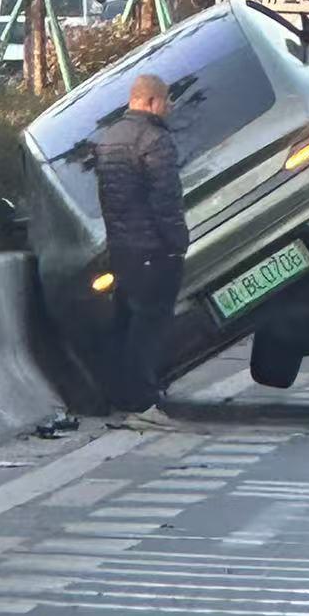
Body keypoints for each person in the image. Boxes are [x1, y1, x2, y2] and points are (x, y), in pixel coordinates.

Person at [93, 71, 189, 428]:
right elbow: (166, 200)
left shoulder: (109, 138)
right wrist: (178, 242)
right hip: (154, 249)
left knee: (126, 325)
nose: (170, 108)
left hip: (122, 249)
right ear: (151, 101)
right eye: (167, 101)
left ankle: (121, 397)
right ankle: (143, 403)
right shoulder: (154, 140)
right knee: (150, 328)